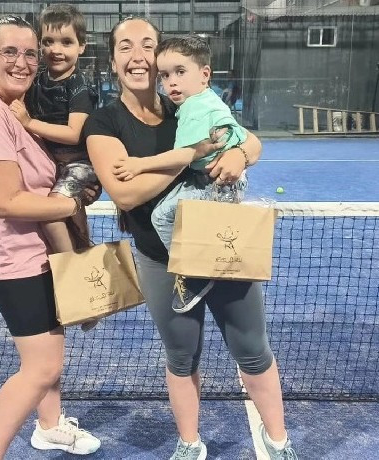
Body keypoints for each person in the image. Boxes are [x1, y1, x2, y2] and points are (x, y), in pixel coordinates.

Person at [84, 16, 298, 460]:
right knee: (181, 357)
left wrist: (238, 155)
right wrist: (194, 156)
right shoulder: (103, 122)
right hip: (160, 260)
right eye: (125, 47)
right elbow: (125, 194)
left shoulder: (187, 103)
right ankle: (189, 442)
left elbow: (250, 142)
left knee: (253, 349)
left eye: (147, 45)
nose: (138, 56)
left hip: (221, 247)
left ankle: (279, 442)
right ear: (113, 61)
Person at [0, 15, 101, 459]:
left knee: (50, 357)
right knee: (41, 368)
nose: (21, 62)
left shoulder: (19, 107)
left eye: (29, 54)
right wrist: (68, 204)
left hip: (41, 254)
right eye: (10, 52)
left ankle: (50, 426)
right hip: (15, 259)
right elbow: (5, 201)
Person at [112, 35, 248, 314]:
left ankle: (192, 275)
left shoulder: (197, 109)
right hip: (208, 180)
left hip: (214, 184)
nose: (171, 82)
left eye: (180, 72)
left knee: (161, 216)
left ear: (205, 75)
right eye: (165, 75)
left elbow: (187, 155)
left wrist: (139, 165)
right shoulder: (199, 102)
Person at [9, 3, 100, 332]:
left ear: (81, 47)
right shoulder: (37, 81)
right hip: (53, 165)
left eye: (66, 42)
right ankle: (88, 295)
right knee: (69, 230)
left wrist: (29, 122)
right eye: (47, 42)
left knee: (50, 214)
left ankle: (75, 286)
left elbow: (75, 133)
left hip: (81, 166)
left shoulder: (79, 87)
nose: (55, 50)